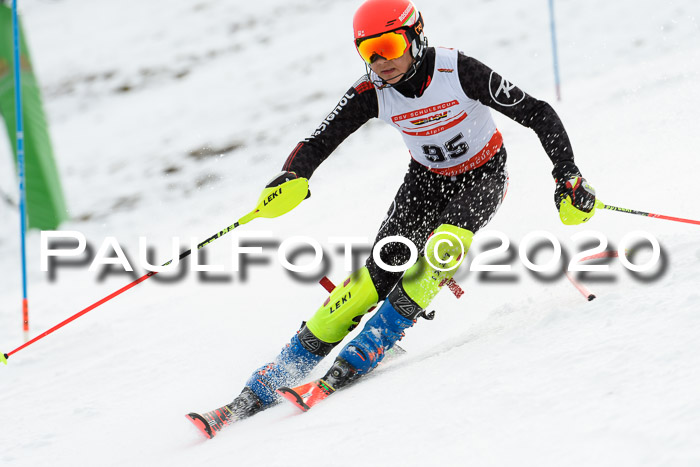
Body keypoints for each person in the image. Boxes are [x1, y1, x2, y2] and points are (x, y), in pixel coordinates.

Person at [189, 0, 596, 437]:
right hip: (424, 182)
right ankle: (275, 374)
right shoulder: (372, 92)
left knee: (439, 254)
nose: (381, 62)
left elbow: (538, 112)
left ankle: (372, 345)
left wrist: (566, 174)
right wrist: (294, 175)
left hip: (483, 174)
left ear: (416, 36)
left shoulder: (458, 71)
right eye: (369, 52)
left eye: (388, 45)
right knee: (372, 279)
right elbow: (320, 140)